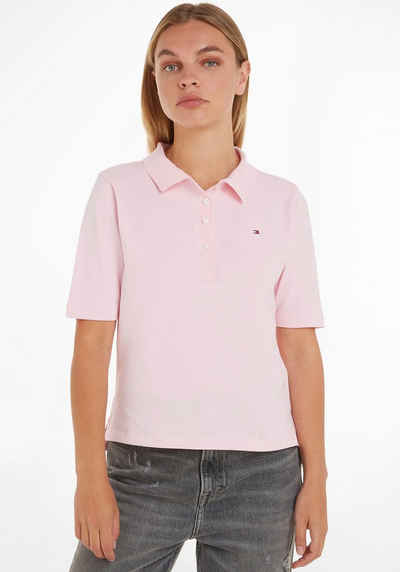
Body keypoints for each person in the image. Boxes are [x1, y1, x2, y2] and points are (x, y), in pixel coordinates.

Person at [66, 3, 328, 571]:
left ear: (242, 76)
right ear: (155, 81)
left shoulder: (283, 202)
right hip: (140, 468)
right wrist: (89, 475)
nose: (188, 77)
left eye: (209, 62)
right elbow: (91, 344)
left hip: (263, 473)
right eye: (171, 65)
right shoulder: (118, 192)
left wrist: (317, 478)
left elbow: (300, 349)